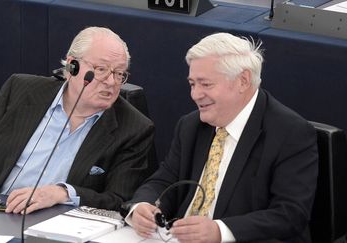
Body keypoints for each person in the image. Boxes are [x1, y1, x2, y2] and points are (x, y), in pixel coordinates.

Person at [0, 26, 155, 215]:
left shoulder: (134, 128)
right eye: (102, 69)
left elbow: (119, 201)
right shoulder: (21, 90)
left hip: (57, 226)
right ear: (72, 65)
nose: (111, 82)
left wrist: (64, 193)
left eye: (119, 74)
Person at [126, 32, 318, 242]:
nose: (195, 94)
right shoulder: (191, 125)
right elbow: (165, 179)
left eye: (206, 84)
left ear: (243, 81)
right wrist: (142, 205)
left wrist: (220, 231)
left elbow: (290, 215)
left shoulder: (290, 133)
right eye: (192, 84)